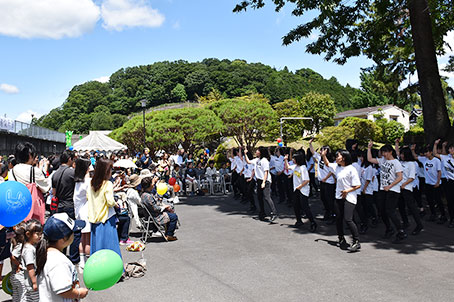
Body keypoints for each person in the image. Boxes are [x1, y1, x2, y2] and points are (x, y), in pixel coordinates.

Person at [36, 213, 89, 301]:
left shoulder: (47, 254)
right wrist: (79, 293)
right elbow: (63, 290)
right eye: (73, 232)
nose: (74, 235)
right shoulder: (59, 261)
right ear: (63, 238)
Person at [321, 149, 361, 252]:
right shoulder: (337, 167)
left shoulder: (351, 169)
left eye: (338, 156)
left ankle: (356, 241)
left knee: (348, 219)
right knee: (338, 218)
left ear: (344, 157)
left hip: (349, 197)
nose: (336, 158)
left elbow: (357, 185)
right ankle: (341, 238)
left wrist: (347, 190)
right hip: (338, 197)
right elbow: (327, 164)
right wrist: (323, 155)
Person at [368, 142, 407, 243]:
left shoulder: (396, 163)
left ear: (390, 152)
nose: (384, 154)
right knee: (382, 210)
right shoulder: (382, 161)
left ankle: (401, 231)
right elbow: (370, 159)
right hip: (383, 189)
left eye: (385, 152)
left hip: (393, 190)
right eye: (382, 152)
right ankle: (389, 229)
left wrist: (390, 186)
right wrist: (369, 148)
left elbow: (400, 177)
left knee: (390, 211)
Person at [52, 150, 81, 267]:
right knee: (75, 230)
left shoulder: (55, 173)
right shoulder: (72, 173)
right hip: (70, 204)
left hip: (60, 205)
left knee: (62, 231)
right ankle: (74, 258)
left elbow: (53, 192)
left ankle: (61, 254)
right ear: (70, 159)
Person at [87, 159, 121, 257]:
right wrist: (116, 204)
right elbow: (110, 202)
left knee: (97, 245)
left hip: (94, 217)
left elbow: (88, 197)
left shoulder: (91, 183)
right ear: (106, 171)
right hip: (107, 217)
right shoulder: (108, 184)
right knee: (110, 246)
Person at [412, 144, 445, 223]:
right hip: (428, 183)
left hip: (436, 184)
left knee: (438, 200)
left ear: (431, 152)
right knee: (429, 200)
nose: (426, 154)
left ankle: (443, 215)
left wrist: (437, 182)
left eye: (427, 152)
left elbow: (439, 172)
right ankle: (433, 214)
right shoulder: (424, 159)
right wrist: (413, 150)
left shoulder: (436, 160)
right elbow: (415, 157)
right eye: (425, 152)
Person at [285, 152, 317, 232]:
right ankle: (299, 221)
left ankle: (312, 222)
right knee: (296, 205)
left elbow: (307, 180)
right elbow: (287, 167)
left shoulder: (303, 168)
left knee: (305, 207)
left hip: (303, 190)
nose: (293, 160)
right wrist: (285, 160)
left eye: (294, 159)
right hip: (296, 189)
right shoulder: (295, 166)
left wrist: (299, 187)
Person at [396, 145, 424, 235]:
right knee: (401, 206)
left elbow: (411, 177)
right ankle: (405, 221)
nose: (401, 156)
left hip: (406, 188)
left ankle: (419, 225)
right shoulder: (401, 162)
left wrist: (404, 185)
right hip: (399, 188)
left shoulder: (411, 164)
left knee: (412, 207)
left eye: (403, 154)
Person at [141, 177, 179, 241]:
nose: (153, 184)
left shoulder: (145, 194)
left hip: (152, 213)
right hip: (155, 215)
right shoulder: (148, 196)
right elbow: (155, 208)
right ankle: (169, 234)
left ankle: (168, 232)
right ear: (149, 185)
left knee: (170, 210)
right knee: (174, 216)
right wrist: (164, 207)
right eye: (152, 183)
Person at [246, 147, 277, 222]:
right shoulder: (257, 160)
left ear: (261, 152)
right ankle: (262, 213)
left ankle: (274, 213)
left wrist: (263, 182)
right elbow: (248, 162)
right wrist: (245, 153)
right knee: (259, 197)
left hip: (265, 181)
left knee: (267, 197)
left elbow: (266, 172)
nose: (256, 151)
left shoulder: (264, 161)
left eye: (257, 150)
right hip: (259, 180)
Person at [73, 157, 92, 270]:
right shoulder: (87, 180)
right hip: (86, 211)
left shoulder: (77, 181)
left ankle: (82, 261)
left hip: (79, 212)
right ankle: (88, 262)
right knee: (88, 238)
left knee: (82, 237)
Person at [309, 139, 335, 223]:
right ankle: (327, 213)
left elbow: (332, 171)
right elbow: (313, 152)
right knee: (323, 198)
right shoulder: (320, 158)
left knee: (329, 199)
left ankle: (333, 215)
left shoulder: (331, 160)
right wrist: (310, 143)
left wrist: (326, 178)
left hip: (329, 182)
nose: (320, 151)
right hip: (322, 182)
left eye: (322, 150)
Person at [433, 139, 454, 228]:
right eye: (450, 148)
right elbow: (435, 154)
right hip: (449, 182)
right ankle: (452, 219)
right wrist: (435, 144)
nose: (451, 150)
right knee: (450, 202)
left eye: (452, 148)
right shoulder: (446, 157)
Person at [21, 219, 43, 302]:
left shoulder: (30, 246)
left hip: (30, 281)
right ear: (28, 234)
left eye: (41, 234)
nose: (40, 236)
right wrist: (34, 282)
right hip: (31, 282)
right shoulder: (29, 250)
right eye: (37, 234)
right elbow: (30, 267)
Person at [10, 222, 26, 302]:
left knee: (16, 297)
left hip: (13, 275)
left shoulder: (13, 244)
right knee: (23, 297)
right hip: (19, 276)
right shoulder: (19, 246)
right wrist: (19, 264)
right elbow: (13, 257)